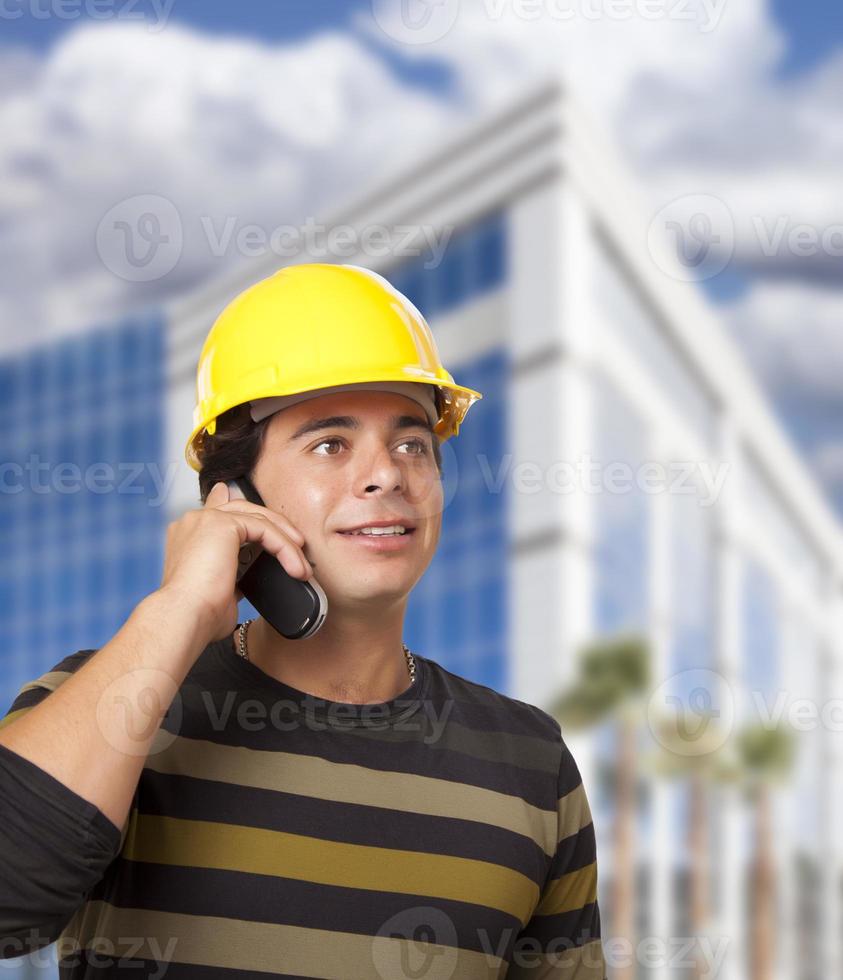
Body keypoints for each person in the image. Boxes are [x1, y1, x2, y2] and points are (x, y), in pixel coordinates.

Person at [0, 264, 607, 978]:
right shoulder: (113, 700)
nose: (387, 475)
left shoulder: (531, 761)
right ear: (233, 497)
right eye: (330, 444)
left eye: (412, 443)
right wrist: (178, 609)